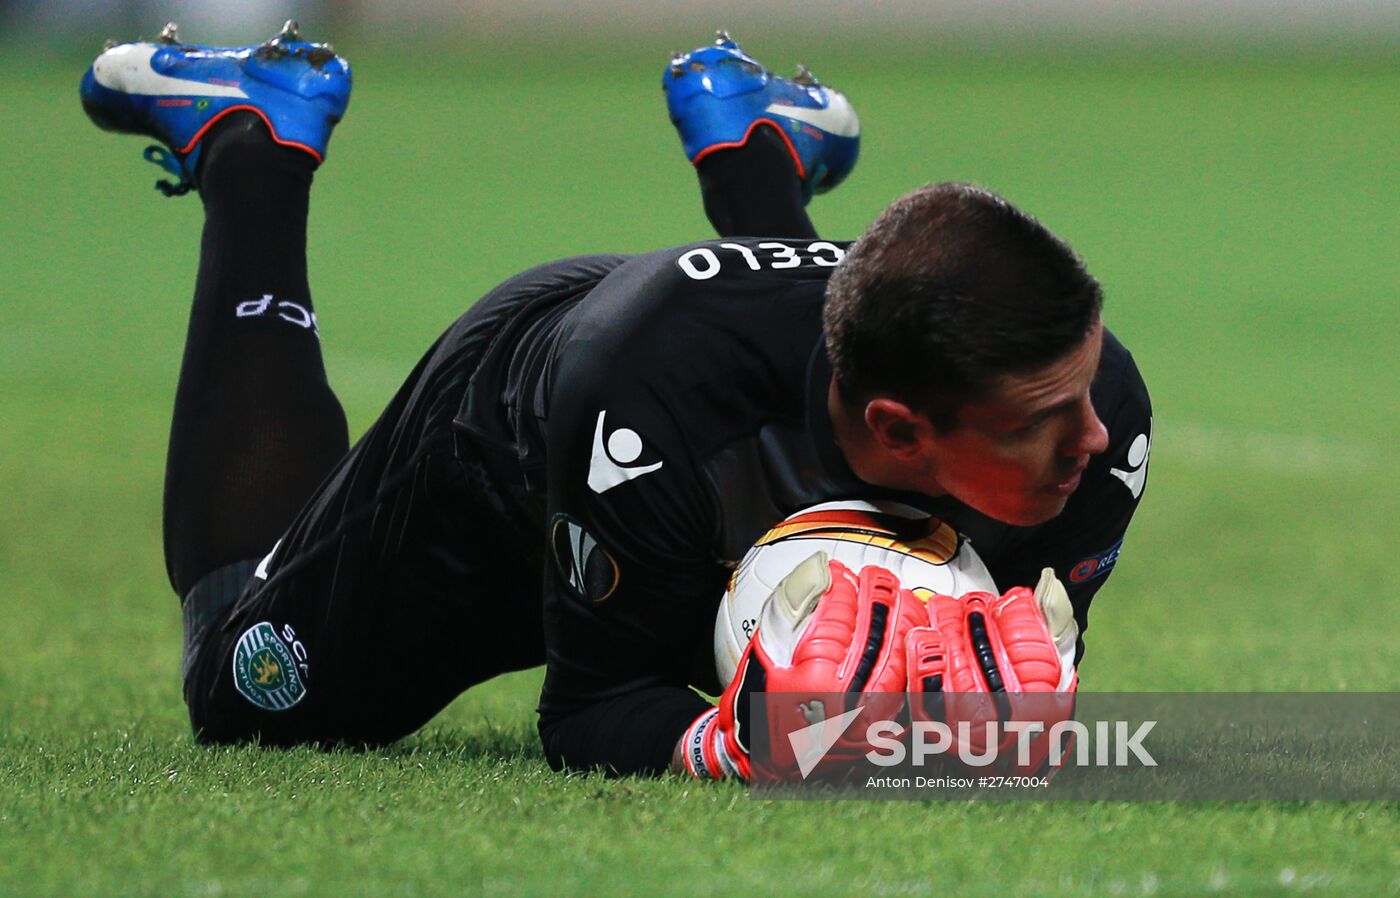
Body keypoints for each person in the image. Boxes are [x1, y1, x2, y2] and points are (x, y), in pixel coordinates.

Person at [80, 25, 1151, 778]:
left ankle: (754, 145)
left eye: (1082, 390)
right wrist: (726, 745)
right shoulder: (643, 393)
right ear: (899, 431)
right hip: (517, 437)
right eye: (1039, 424)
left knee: (780, 513)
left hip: (736, 402)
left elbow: (991, 667)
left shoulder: (1097, 424)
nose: (1089, 440)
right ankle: (253, 145)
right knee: (251, 695)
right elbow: (595, 706)